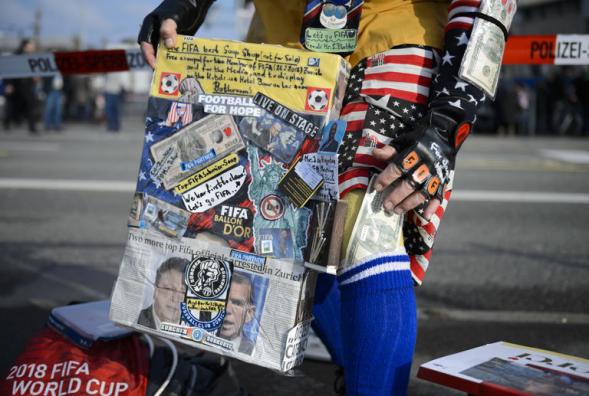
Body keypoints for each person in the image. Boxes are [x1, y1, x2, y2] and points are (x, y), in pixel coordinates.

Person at [138, 1, 515, 394]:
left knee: (366, 226)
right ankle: (360, 372)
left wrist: (447, 120)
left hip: (394, 29)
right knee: (290, 233)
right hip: (282, 49)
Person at [138, 257, 188, 329]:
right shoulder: (135, 320)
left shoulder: (197, 332)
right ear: (155, 290)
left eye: (183, 292)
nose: (175, 299)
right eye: (169, 288)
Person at [218, 272, 256, 355]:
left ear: (249, 313)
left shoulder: (254, 350)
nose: (227, 310)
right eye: (221, 300)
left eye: (237, 303)